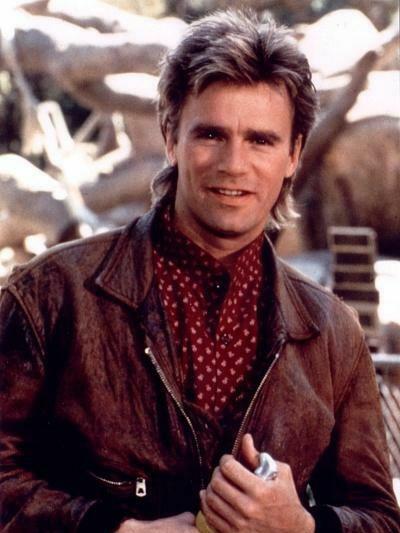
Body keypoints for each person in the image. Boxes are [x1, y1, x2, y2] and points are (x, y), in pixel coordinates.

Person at [0, 9, 399, 533]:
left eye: (261, 140)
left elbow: (379, 518)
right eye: (211, 134)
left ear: (294, 155)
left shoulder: (333, 333)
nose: (234, 164)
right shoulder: (48, 296)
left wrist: (303, 526)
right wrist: (111, 528)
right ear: (171, 137)